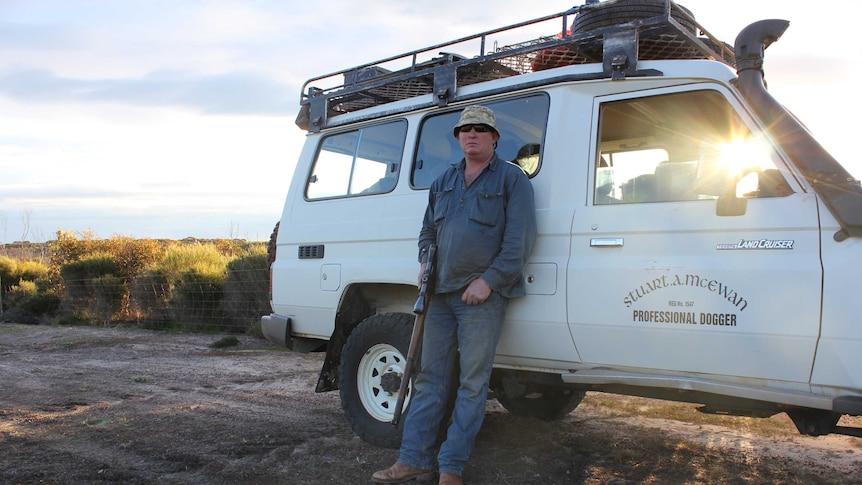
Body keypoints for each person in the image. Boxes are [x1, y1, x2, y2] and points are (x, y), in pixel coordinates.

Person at [373, 105, 537, 485]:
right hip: (439, 296)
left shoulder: (513, 180)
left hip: (481, 299)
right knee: (430, 379)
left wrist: (489, 281)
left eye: (481, 129)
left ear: (495, 138)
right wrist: (424, 262)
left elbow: (520, 241)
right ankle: (413, 459)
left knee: (472, 384)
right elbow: (427, 232)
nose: (472, 134)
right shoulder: (443, 181)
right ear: (458, 137)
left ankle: (451, 469)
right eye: (465, 129)